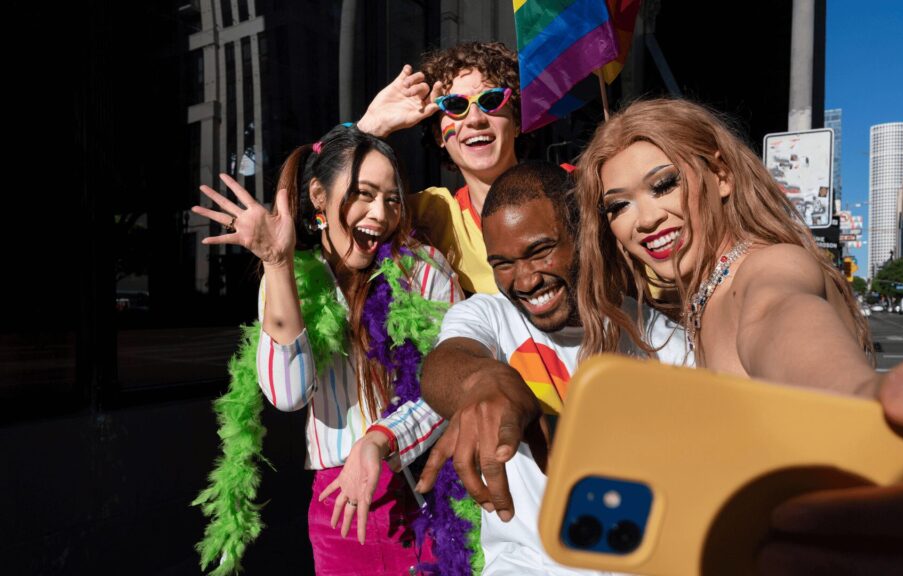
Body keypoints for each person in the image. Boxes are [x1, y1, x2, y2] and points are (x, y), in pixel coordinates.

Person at [573, 97, 903, 574]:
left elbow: (782, 316)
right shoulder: (706, 295)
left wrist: (861, 402)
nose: (645, 219)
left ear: (721, 175)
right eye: (618, 205)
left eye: (664, 184)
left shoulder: (768, 269)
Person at [191, 125, 462, 575]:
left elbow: (450, 385)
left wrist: (381, 441)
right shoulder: (292, 280)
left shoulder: (425, 271)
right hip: (341, 510)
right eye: (363, 193)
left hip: (427, 492)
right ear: (319, 196)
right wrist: (277, 264)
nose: (380, 213)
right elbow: (287, 395)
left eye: (392, 199)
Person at [416, 162, 691, 575]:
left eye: (540, 250)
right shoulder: (489, 316)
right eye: (502, 263)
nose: (524, 281)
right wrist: (484, 381)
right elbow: (444, 364)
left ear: (584, 234)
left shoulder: (665, 343)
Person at [356, 41, 523, 295]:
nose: (475, 119)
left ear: (518, 121)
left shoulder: (571, 189)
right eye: (456, 106)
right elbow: (323, 203)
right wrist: (367, 128)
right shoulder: (435, 213)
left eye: (491, 100)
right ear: (439, 135)